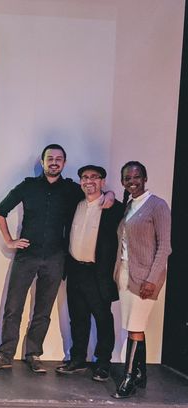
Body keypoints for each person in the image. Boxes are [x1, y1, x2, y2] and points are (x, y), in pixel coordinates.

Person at [0, 144, 114, 374]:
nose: (54, 162)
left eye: (58, 159)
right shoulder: (28, 186)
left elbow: (95, 193)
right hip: (27, 256)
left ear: (64, 163)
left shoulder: (72, 190)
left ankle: (33, 354)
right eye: (49, 158)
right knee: (13, 307)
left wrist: (110, 193)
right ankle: (4, 354)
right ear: (42, 162)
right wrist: (9, 241)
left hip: (55, 258)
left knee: (43, 310)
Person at [55, 165, 124, 381]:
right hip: (75, 269)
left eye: (94, 177)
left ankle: (103, 363)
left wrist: (111, 195)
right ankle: (77, 359)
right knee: (78, 318)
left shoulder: (114, 208)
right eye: (84, 177)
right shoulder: (75, 204)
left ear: (103, 182)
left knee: (103, 318)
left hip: (98, 273)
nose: (89, 181)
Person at [112, 161, 171, 399]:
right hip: (125, 273)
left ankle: (128, 379)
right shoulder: (128, 206)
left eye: (136, 177)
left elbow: (165, 246)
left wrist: (152, 279)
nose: (131, 182)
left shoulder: (157, 205)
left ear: (144, 178)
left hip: (146, 277)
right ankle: (141, 374)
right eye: (126, 178)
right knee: (134, 326)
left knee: (135, 327)